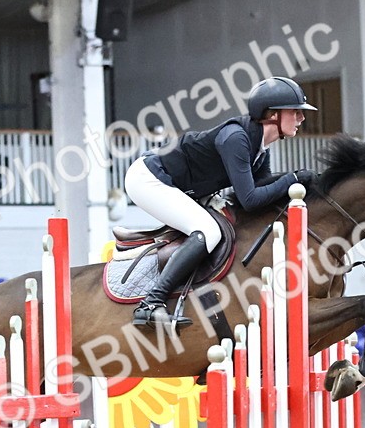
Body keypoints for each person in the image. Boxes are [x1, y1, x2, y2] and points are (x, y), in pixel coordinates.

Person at [124, 76, 318, 328]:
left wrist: (297, 181)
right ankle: (152, 303)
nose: (301, 118)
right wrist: (292, 178)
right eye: (295, 112)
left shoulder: (259, 149)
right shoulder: (236, 138)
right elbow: (249, 199)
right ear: (272, 114)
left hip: (177, 183)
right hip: (149, 178)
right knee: (208, 231)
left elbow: (261, 187)